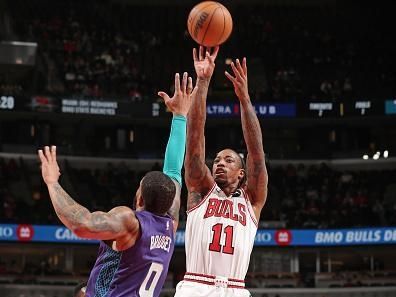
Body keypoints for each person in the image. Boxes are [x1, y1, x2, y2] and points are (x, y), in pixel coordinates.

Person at [39, 72, 197, 297]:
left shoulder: (129, 221)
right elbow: (172, 170)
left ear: (140, 198)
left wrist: (52, 182)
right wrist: (180, 116)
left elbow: (81, 223)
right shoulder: (170, 224)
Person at [174, 47, 268, 297]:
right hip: (196, 286)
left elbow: (256, 152)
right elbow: (194, 139)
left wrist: (245, 99)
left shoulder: (252, 201)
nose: (219, 163)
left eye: (228, 160)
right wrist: (203, 82)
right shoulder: (201, 191)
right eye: (216, 160)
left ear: (241, 173)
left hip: (236, 289)